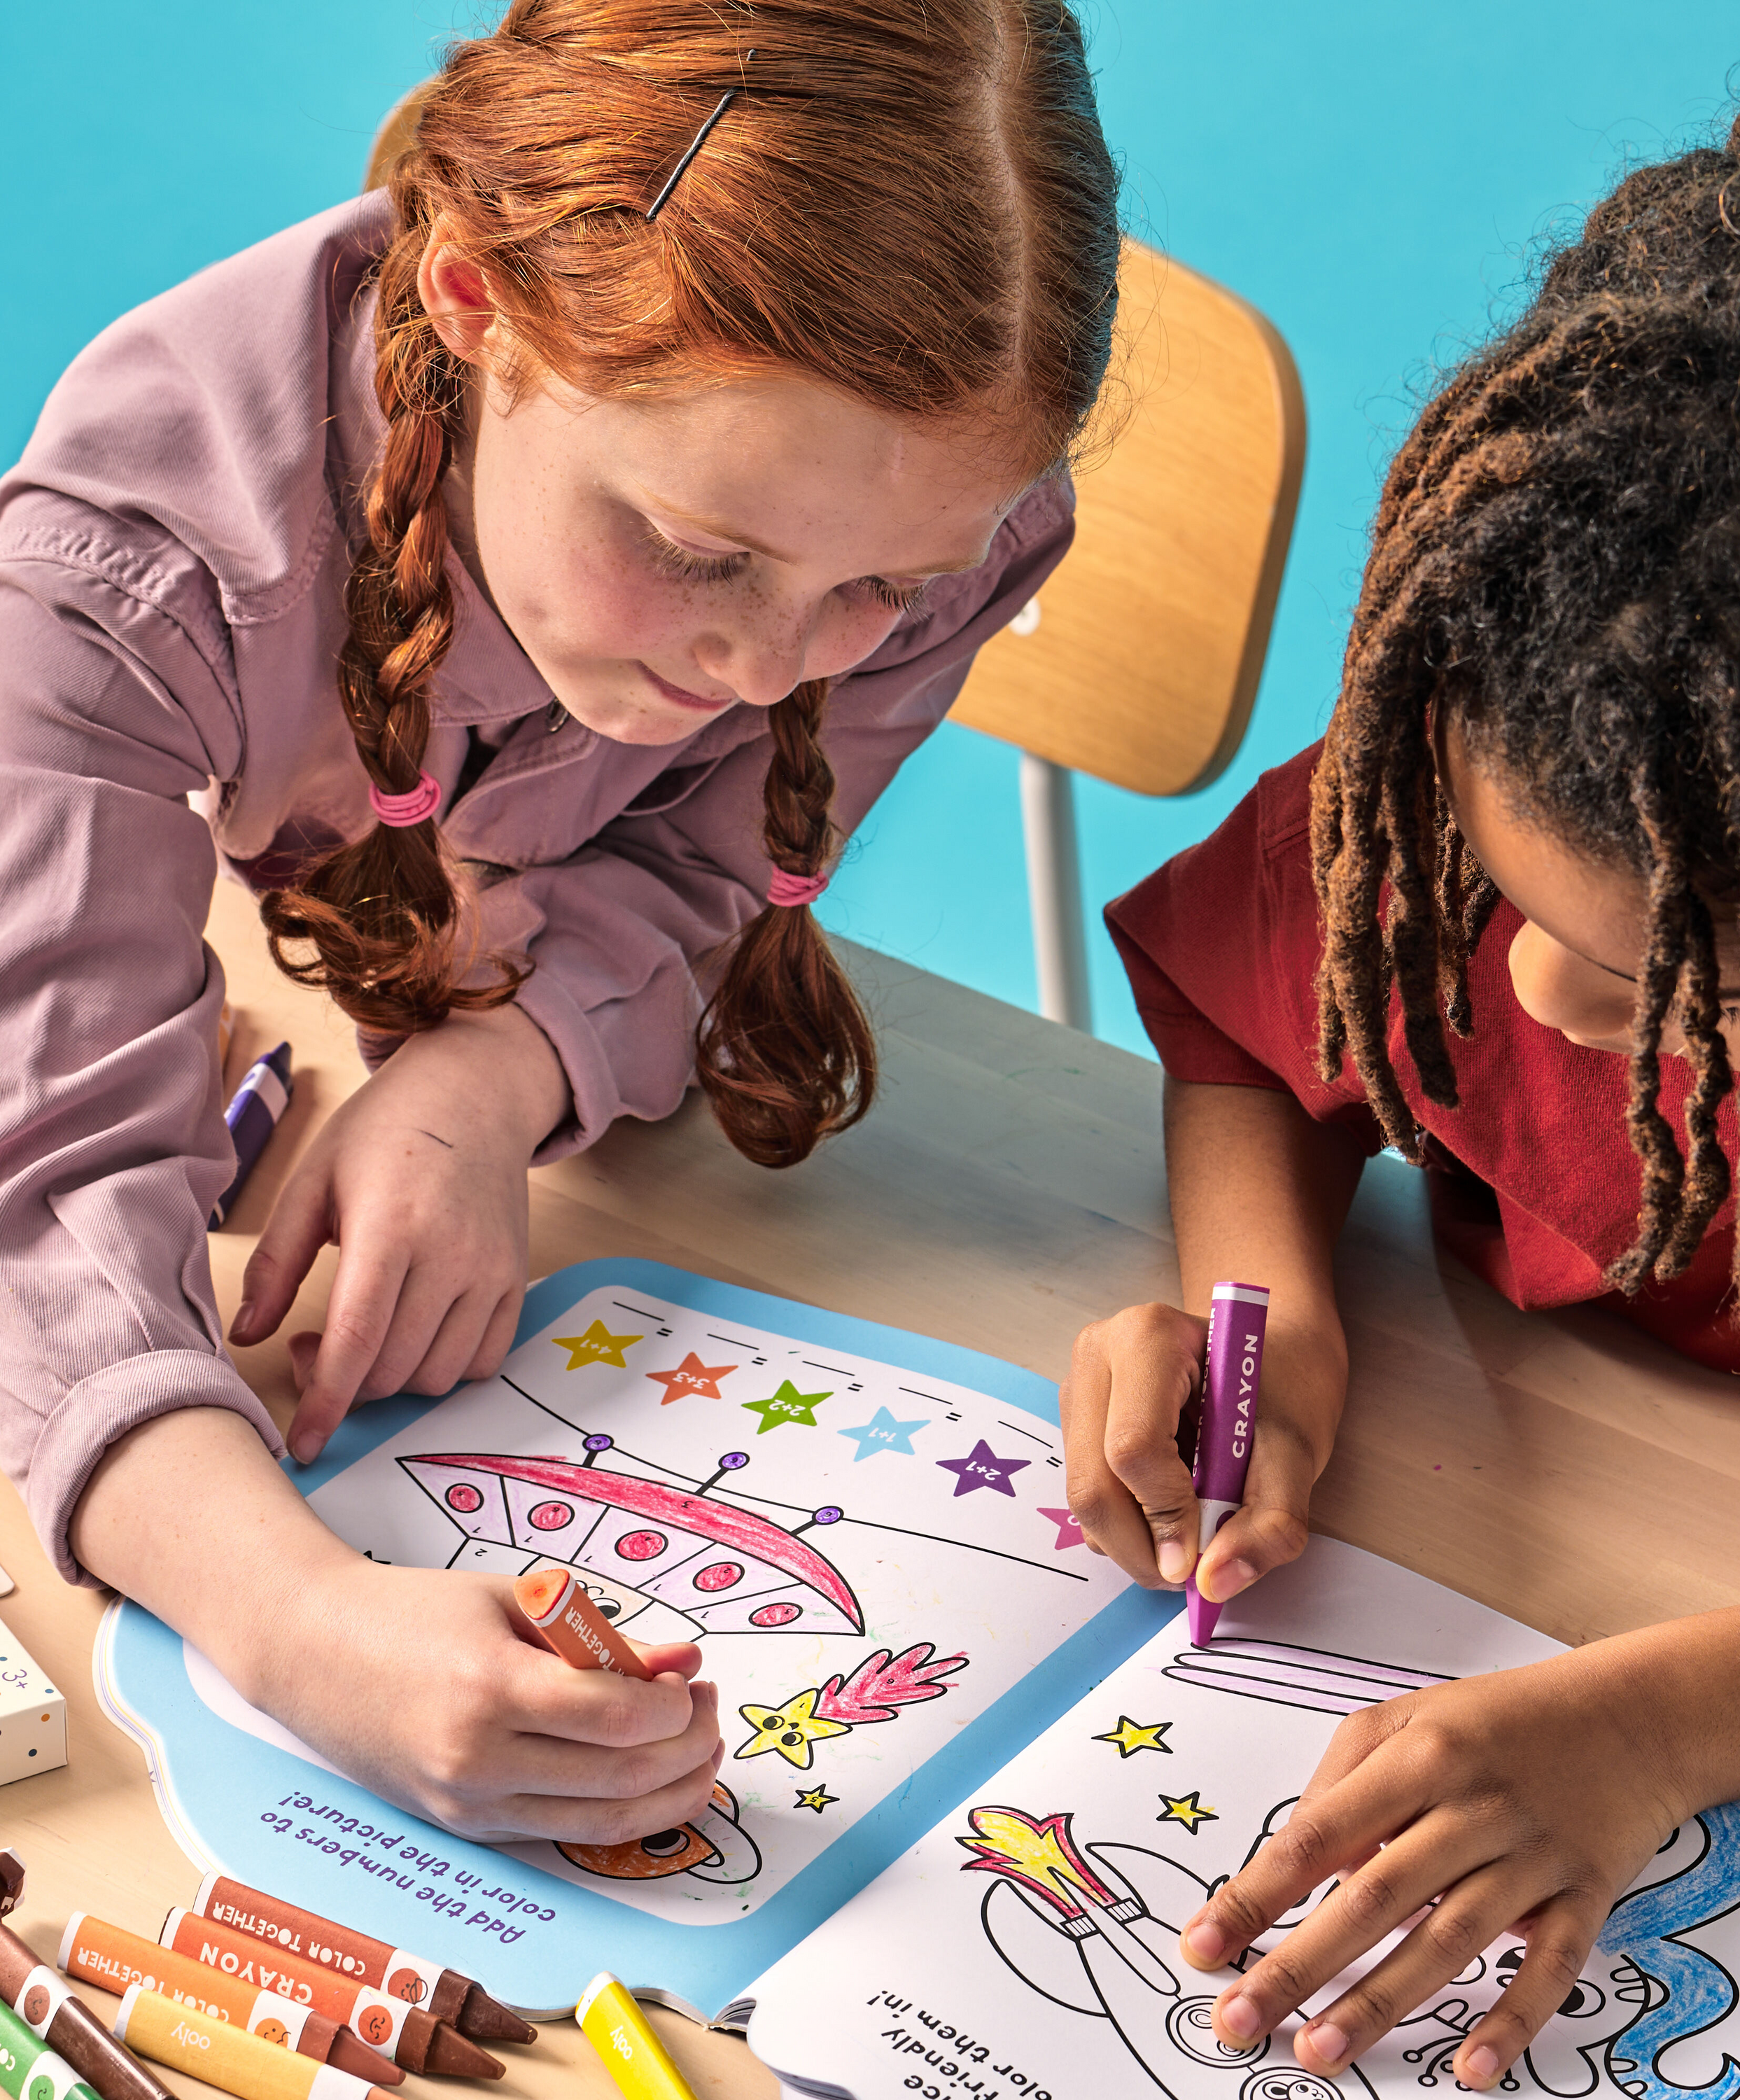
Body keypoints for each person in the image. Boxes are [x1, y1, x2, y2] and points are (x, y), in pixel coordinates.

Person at [1065, 83, 1740, 2086]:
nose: (1530, 994)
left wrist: (1652, 1724)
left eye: (1674, 987)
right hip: (1552, 1506)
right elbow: (1252, 1037)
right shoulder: (1525, 759)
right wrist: (1261, 1311)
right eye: (1510, 899)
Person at [0, 0, 1118, 1845]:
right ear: (473, 302)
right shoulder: (126, 572)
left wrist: (495, 1075)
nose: (768, 668)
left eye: (879, 594)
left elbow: (711, 877)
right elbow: (45, 1218)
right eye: (696, 553)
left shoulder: (934, 508)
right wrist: (300, 1627)